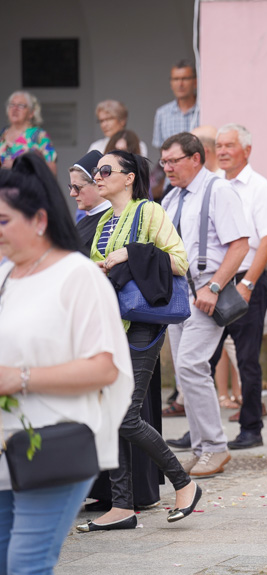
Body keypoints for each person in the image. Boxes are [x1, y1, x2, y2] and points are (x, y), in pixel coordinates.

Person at [0, 152, 132, 571]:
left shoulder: (78, 276)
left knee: (26, 564)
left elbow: (104, 368)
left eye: (4, 221)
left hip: (54, 445)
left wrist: (19, 378)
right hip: (6, 445)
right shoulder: (5, 275)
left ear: (38, 220)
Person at [75, 150, 200, 531]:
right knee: (113, 413)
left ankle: (184, 483)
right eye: (96, 171)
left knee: (126, 414)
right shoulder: (103, 222)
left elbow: (179, 260)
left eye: (106, 170)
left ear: (129, 177)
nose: (98, 176)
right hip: (113, 325)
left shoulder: (149, 211)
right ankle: (122, 506)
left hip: (143, 325)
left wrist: (130, 252)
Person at [160, 132, 250, 477]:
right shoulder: (171, 198)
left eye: (173, 161)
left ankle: (214, 447)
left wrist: (213, 286)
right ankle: (201, 449)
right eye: (163, 161)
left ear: (195, 158)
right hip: (177, 294)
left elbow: (240, 245)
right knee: (186, 371)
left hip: (207, 292)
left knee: (191, 365)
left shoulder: (218, 190)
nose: (167, 167)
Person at [203, 124, 267, 448]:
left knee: (247, 359)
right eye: (218, 145)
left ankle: (251, 428)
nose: (221, 151)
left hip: (246, 277)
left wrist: (247, 283)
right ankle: (202, 429)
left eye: (229, 145)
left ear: (246, 150)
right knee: (205, 357)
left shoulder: (259, 187)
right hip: (217, 278)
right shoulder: (214, 185)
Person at [1, 92, 56, 174]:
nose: (15, 108)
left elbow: (52, 171)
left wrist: (18, 165)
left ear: (31, 113)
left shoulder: (39, 135)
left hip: (28, 186)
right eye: (12, 105)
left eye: (20, 105)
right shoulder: (2, 135)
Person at [68, 150, 110, 255]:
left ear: (98, 183)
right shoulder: (83, 222)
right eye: (71, 187)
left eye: (77, 187)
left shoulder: (112, 220)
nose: (72, 193)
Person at [152, 59, 200, 149]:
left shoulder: (203, 110)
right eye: (176, 79)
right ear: (171, 83)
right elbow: (161, 149)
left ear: (195, 82)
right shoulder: (162, 114)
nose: (180, 84)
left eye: (185, 79)